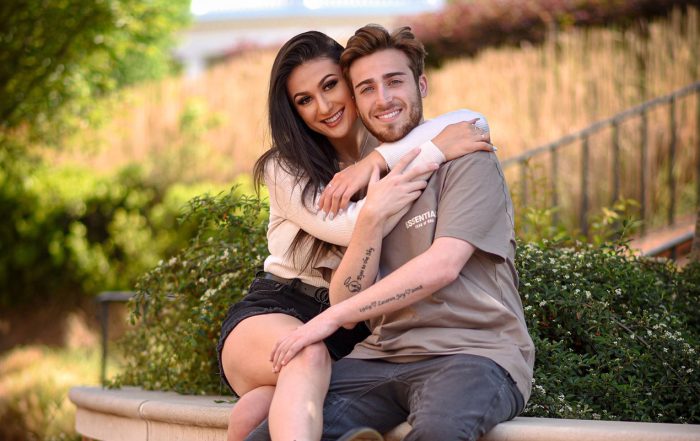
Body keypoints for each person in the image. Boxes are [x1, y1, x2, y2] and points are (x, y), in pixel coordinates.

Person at [257, 25, 535, 441]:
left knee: (437, 433)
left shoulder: (466, 158)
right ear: (355, 101)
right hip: (380, 355)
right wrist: (370, 217)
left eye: (394, 81)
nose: (383, 99)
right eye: (367, 89)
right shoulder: (360, 186)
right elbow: (348, 296)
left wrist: (329, 319)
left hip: (473, 351)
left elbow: (442, 267)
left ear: (421, 85)